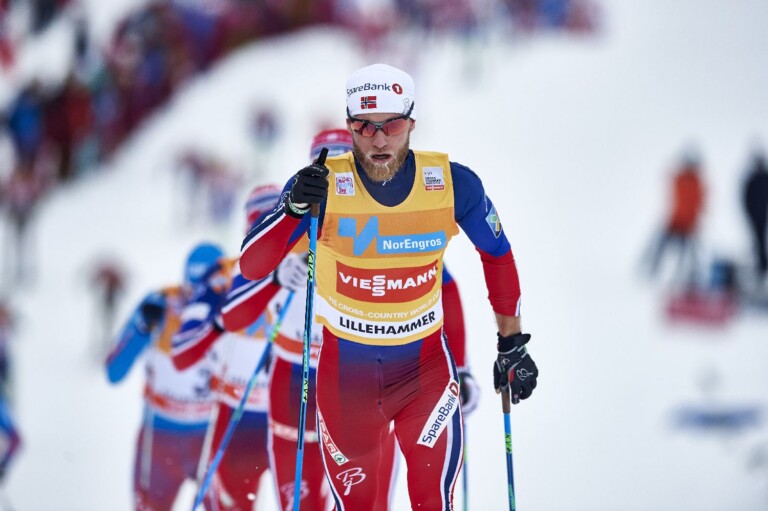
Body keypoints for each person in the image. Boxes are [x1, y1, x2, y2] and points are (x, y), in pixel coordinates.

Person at [239, 63, 537, 509]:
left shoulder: (452, 184)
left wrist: (511, 343)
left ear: (412, 123)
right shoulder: (321, 187)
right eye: (364, 126)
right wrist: (292, 209)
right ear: (349, 126)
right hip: (347, 382)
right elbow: (252, 266)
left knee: (433, 501)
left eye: (391, 125)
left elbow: (497, 253)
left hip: (424, 373)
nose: (378, 141)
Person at [170, 186, 282, 510]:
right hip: (238, 416)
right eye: (259, 226)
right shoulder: (224, 277)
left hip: (290, 413)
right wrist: (223, 319)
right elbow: (182, 352)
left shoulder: (309, 269)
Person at [105, 242, 223, 511]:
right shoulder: (160, 304)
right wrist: (141, 328)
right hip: (160, 439)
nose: (196, 302)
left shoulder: (232, 307)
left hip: (210, 438)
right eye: (191, 290)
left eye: (206, 293)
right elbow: (114, 371)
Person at [647, 150, 706, 286]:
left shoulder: (696, 182)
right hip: (675, 222)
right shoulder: (682, 179)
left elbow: (698, 203)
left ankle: (684, 277)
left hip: (688, 225)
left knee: (688, 255)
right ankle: (653, 270)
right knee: (661, 247)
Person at [742, 150, 768, 287]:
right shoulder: (752, 179)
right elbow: (746, 198)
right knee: (757, 244)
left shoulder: (764, 178)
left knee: (761, 243)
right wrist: (750, 213)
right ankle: (759, 271)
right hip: (755, 218)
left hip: (763, 216)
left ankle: (762, 270)